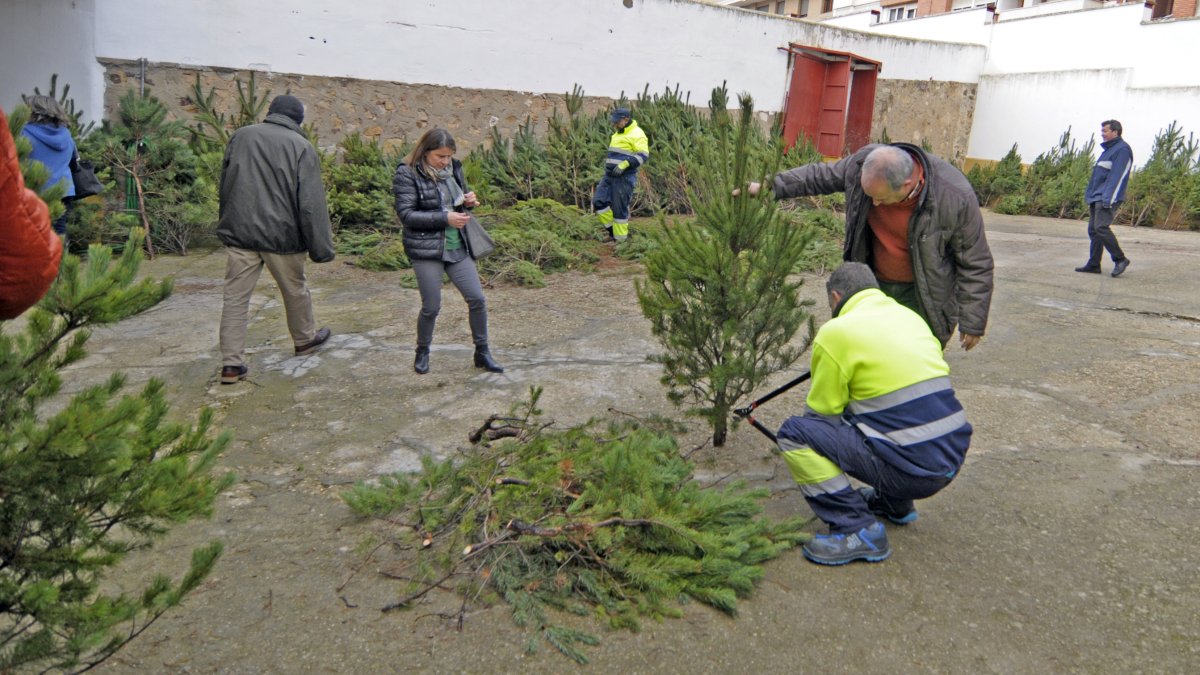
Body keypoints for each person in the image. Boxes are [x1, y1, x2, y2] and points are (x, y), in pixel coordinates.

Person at [775, 262, 972, 566]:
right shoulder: (912, 318)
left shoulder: (837, 331)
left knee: (796, 433)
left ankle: (857, 528)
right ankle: (895, 504)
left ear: (836, 298)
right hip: (951, 458)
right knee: (880, 413)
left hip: (913, 469)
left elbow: (820, 418)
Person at [746, 143, 993, 350]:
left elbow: (975, 261)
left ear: (907, 185)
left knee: (910, 366)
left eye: (882, 198)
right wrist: (769, 187)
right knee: (862, 356)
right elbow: (819, 176)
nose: (873, 204)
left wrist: (973, 320)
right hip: (872, 287)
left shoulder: (953, 196)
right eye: (870, 195)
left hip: (924, 294)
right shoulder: (864, 164)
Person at [216, 95, 334, 385]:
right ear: (298, 120)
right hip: (282, 237)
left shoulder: (241, 136)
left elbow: (225, 184)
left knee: (235, 298)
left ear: (270, 113)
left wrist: (227, 222)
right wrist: (322, 248)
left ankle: (231, 364)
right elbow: (310, 204)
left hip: (241, 233)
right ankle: (305, 339)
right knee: (295, 290)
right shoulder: (301, 146)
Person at [392, 128, 503, 375]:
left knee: (477, 299)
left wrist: (468, 202)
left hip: (457, 246)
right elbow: (406, 215)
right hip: (426, 249)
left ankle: (482, 352)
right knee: (431, 306)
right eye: (440, 156)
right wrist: (445, 218)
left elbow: (457, 205)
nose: (445, 161)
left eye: (449, 156)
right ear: (425, 151)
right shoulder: (407, 173)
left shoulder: (454, 169)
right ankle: (422, 351)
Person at [1, 105, 63, 319]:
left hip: (38, 192)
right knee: (59, 236)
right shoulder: (66, 136)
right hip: (66, 188)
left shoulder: (26, 133)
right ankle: (61, 278)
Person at [1076, 120, 1132, 278]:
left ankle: (1120, 259)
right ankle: (1094, 264)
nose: (1102, 133)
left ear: (1115, 132)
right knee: (1093, 230)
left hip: (1107, 197)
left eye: (1105, 131)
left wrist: (1109, 199)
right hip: (1097, 197)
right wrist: (1090, 196)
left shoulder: (1122, 150)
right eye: (1102, 131)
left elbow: (1118, 177)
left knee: (1101, 227)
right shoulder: (1107, 150)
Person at [19, 95, 76, 239]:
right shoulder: (66, 134)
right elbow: (74, 161)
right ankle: (60, 260)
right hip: (63, 190)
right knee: (59, 231)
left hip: (34, 190)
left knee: (33, 233)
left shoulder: (23, 132)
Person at [593, 107, 649, 243]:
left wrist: (624, 165)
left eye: (617, 121)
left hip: (624, 177)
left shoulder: (637, 133)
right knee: (598, 202)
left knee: (619, 210)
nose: (614, 124)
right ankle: (613, 232)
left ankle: (620, 242)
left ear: (626, 119)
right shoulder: (618, 133)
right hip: (609, 176)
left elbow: (643, 155)